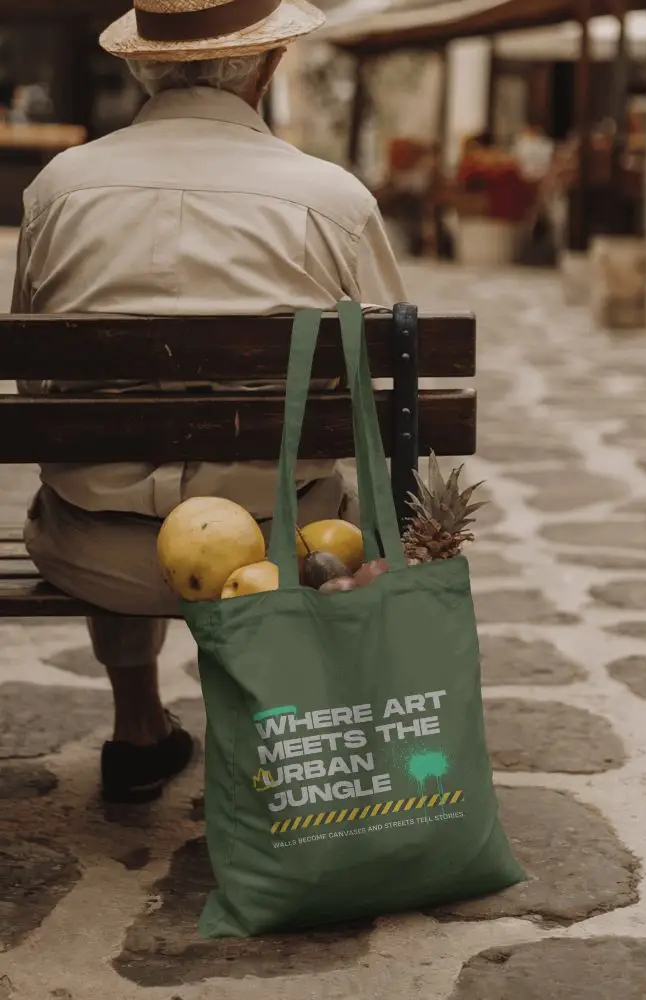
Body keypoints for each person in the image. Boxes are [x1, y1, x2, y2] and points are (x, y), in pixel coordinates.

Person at [11, 0, 406, 805]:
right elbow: (382, 376)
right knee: (323, 496)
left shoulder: (59, 189)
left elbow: (34, 379)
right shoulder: (331, 199)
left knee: (99, 475)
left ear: (140, 65)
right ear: (268, 65)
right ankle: (277, 740)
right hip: (284, 550)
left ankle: (139, 728)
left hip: (94, 550)